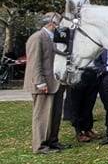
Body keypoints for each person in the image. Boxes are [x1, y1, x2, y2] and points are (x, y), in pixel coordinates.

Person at [24, 13, 65, 154]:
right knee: (42, 116)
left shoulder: (51, 37)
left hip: (55, 83)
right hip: (43, 84)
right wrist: (40, 82)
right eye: (59, 22)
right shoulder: (37, 37)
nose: (60, 25)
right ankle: (40, 146)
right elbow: (34, 63)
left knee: (54, 115)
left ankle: (53, 141)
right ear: (51, 23)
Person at [64, 63, 101, 142]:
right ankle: (79, 131)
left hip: (92, 73)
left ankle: (88, 129)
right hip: (77, 73)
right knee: (76, 105)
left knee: (89, 104)